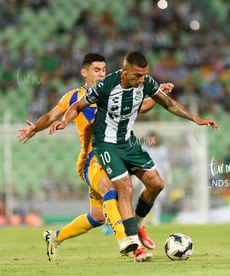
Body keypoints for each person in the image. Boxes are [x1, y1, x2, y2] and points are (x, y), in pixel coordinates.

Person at [50, 51, 219, 260]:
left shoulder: (144, 82)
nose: (142, 79)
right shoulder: (106, 85)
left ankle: (137, 223)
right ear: (125, 71)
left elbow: (167, 103)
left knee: (156, 184)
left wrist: (196, 118)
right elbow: (77, 106)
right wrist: (64, 121)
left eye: (144, 75)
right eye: (138, 75)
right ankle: (133, 243)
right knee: (124, 187)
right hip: (105, 145)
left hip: (128, 143)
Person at [18, 53, 169, 262]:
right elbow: (52, 115)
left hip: (115, 153)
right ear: (84, 72)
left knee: (98, 216)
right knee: (112, 187)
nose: (101, 73)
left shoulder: (113, 90)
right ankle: (129, 243)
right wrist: (35, 127)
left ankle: (54, 237)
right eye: (96, 70)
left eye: (104, 70)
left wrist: (157, 94)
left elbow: (141, 107)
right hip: (92, 160)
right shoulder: (74, 97)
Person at [142, 131, 172, 225]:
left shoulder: (162, 150)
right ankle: (143, 218)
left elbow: (166, 165)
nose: (152, 140)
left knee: (158, 198)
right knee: (144, 198)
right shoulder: (144, 149)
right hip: (145, 177)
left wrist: (169, 176)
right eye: (151, 138)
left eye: (154, 138)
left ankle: (156, 218)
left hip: (159, 176)